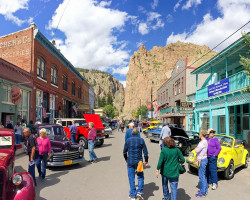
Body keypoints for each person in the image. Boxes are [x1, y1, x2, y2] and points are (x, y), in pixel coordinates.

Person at [123, 128, 149, 200]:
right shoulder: (141, 140)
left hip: (130, 161)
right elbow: (145, 152)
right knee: (140, 176)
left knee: (131, 177)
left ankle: (132, 195)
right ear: (138, 133)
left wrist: (126, 158)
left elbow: (124, 152)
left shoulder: (128, 140)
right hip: (139, 161)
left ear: (132, 134)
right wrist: (146, 160)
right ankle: (139, 192)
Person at [195, 130, 208, 198]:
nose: (199, 134)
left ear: (201, 135)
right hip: (204, 159)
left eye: (199, 133)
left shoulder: (202, 142)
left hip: (202, 160)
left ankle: (202, 192)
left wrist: (196, 148)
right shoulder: (205, 141)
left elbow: (196, 150)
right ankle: (205, 190)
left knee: (201, 176)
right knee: (204, 175)